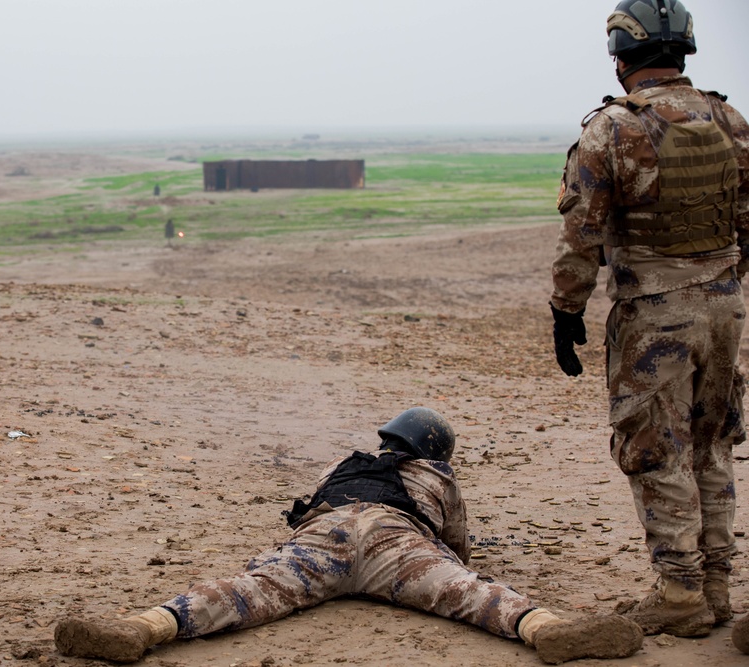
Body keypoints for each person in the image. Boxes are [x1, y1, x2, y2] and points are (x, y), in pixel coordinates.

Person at [54, 408, 643, 664]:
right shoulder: (438, 474)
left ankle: (142, 627)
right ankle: (550, 629)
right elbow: (457, 548)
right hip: (396, 540)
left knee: (247, 591)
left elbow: (306, 516)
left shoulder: (344, 464)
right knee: (473, 595)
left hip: (329, 534)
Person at [549, 0, 749, 640]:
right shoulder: (728, 119)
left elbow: (582, 234)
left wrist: (566, 310)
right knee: (710, 443)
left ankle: (681, 593)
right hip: (724, 305)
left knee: (656, 449)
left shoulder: (610, 129)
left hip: (655, 313)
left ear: (620, 54)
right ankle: (717, 590)